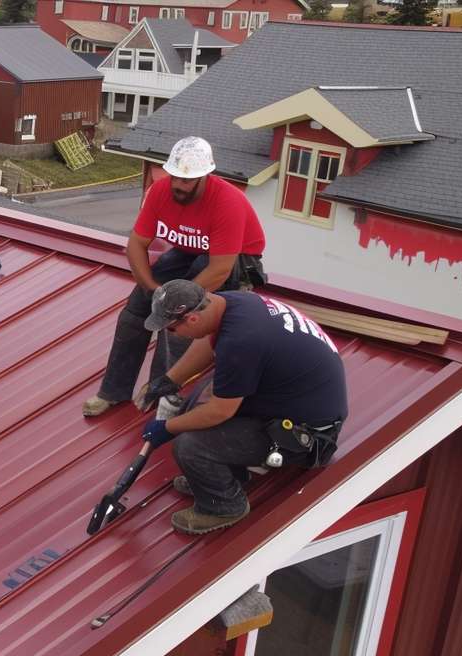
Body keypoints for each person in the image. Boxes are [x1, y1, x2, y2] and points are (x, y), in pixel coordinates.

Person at [135, 279, 348, 535]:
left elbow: (220, 411)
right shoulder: (229, 302)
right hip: (293, 400)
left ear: (191, 319)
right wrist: (168, 382)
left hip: (310, 435)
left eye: (170, 329)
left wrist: (166, 427)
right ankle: (220, 476)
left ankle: (224, 506)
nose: (171, 335)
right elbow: (207, 341)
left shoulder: (241, 340)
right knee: (193, 409)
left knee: (190, 445)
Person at [83, 136, 267, 418]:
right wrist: (152, 289)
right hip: (188, 252)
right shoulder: (160, 192)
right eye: (175, 177)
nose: (179, 185)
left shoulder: (227, 202)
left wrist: (173, 304)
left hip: (234, 261)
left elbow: (219, 268)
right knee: (134, 313)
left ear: (205, 176)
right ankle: (113, 391)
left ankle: (159, 391)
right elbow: (136, 245)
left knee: (179, 320)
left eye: (187, 180)